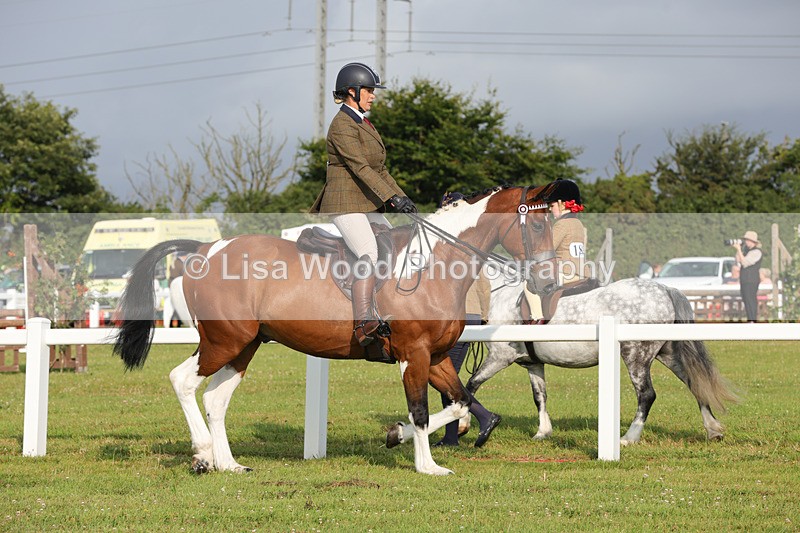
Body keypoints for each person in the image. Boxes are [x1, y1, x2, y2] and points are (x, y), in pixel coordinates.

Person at [310, 62, 417, 362]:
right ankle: (363, 322)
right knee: (369, 252)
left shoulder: (365, 124)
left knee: (395, 245)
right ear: (352, 92)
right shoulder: (341, 125)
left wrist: (403, 199)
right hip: (344, 202)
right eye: (369, 91)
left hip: (366, 203)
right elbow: (360, 167)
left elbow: (380, 169)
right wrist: (390, 199)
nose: (373, 96)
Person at [433, 192, 501, 448]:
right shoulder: (472, 240)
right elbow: (484, 283)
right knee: (447, 377)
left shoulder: (443, 241)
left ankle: (483, 416)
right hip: (471, 316)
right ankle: (452, 436)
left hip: (452, 316)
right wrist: (482, 317)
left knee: (447, 379)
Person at [521, 179, 587, 323]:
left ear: (562, 204)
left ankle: (538, 318)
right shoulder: (578, 223)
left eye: (552, 205)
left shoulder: (561, 225)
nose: (550, 210)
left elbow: (547, 251)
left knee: (528, 283)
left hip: (565, 272)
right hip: (582, 271)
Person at [731, 230, 763, 323]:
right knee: (745, 298)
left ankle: (753, 319)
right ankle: (750, 319)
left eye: (748, 240)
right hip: (744, 279)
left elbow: (745, 262)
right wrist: (739, 249)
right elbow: (738, 261)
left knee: (750, 299)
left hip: (751, 280)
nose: (746, 242)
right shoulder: (745, 250)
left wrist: (739, 250)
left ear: (753, 241)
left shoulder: (757, 252)